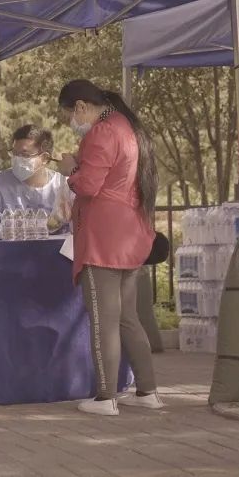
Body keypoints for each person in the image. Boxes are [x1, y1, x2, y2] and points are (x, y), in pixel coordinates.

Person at [54, 79, 160, 416]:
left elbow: (88, 185)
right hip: (129, 234)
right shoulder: (125, 126)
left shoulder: (101, 132)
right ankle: (148, 391)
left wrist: (70, 170)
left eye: (69, 115)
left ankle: (105, 397)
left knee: (103, 320)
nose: (71, 122)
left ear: (81, 107)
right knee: (128, 318)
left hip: (104, 237)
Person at [0, 124, 71, 240]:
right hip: (10, 251)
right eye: (14, 153)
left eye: (24, 155)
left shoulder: (64, 186)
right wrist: (7, 231)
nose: (17, 159)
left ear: (44, 158)